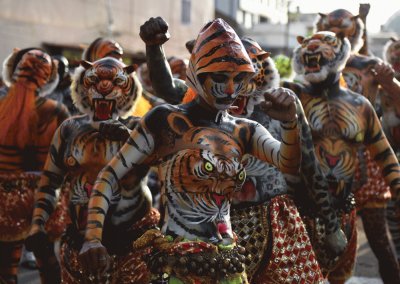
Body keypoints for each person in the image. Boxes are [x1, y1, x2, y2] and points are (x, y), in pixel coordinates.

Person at [79, 18, 300, 284]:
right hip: (175, 266)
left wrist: (290, 123)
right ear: (197, 73)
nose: (231, 90)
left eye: (239, 78)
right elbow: (109, 175)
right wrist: (92, 237)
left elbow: (288, 163)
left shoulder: (245, 130)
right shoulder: (164, 120)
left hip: (228, 264)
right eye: (220, 78)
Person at [137, 16, 345, 283]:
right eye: (224, 76)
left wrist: (330, 225)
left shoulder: (282, 105)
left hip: (275, 221)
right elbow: (166, 86)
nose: (232, 88)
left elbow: (308, 164)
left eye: (244, 76)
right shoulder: (202, 103)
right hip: (215, 225)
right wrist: (154, 48)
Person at [26, 57, 159, 283]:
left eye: (116, 82)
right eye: (95, 80)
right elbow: (50, 182)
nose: (104, 87)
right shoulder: (69, 129)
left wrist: (130, 140)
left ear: (129, 89)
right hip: (78, 243)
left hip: (133, 244)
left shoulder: (139, 127)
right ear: (82, 85)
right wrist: (38, 225)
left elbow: (166, 167)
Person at [285, 31, 400, 284]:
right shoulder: (290, 96)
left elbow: (384, 153)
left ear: (341, 54)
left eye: (326, 43)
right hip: (298, 210)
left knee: (341, 275)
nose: (313, 46)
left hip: (344, 208)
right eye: (308, 45)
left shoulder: (361, 106)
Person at [315, 8, 400, 282]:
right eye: (334, 32)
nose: (338, 38)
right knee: (323, 243)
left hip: (367, 163)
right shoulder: (317, 65)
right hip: (328, 162)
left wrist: (389, 81)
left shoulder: (368, 65)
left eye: (344, 32)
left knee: (380, 242)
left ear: (356, 32)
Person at [0, 48, 69, 284]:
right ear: (48, 78)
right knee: (47, 261)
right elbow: (62, 163)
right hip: (42, 198)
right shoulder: (55, 111)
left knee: (6, 265)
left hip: (3, 198)